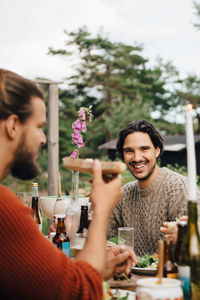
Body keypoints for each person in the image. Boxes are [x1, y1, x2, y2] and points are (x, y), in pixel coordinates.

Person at [0, 69, 136, 300]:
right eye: (39, 126)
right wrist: (101, 207)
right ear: (13, 124)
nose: (43, 138)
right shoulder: (5, 210)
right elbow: (78, 291)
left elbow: (53, 281)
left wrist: (100, 264)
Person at [107, 120, 200, 256]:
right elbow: (102, 236)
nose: (137, 158)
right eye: (129, 151)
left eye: (144, 149)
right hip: (131, 276)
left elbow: (194, 242)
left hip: (173, 275)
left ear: (157, 150)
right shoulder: (124, 193)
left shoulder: (179, 187)